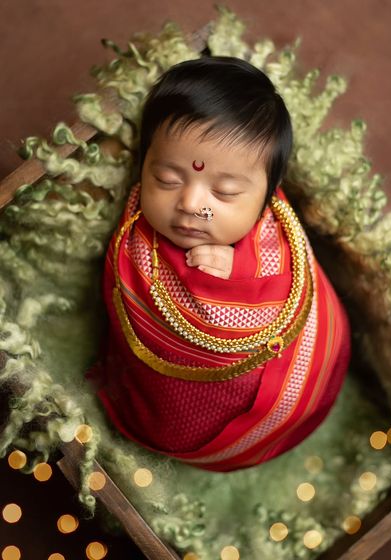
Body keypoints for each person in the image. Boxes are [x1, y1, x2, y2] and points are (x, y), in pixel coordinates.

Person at [88, 56, 351, 472]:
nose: (192, 205)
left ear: (268, 196)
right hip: (173, 397)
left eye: (225, 193)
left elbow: (287, 288)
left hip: (290, 375)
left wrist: (239, 274)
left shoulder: (278, 239)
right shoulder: (136, 240)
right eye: (168, 180)